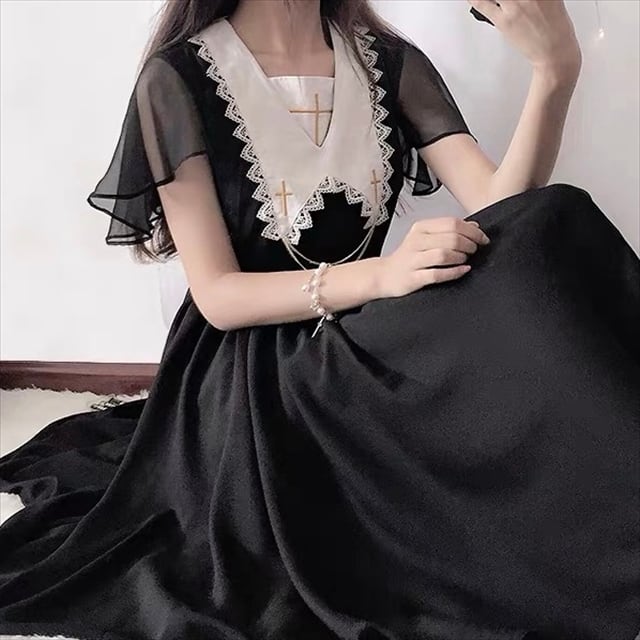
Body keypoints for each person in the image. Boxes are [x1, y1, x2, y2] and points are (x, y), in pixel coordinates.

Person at [0, 0, 638, 638]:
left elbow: (507, 215)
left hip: (372, 322)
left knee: (558, 217)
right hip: (259, 361)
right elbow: (218, 295)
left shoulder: (387, 62)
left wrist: (556, 72)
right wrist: (381, 277)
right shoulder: (178, 79)